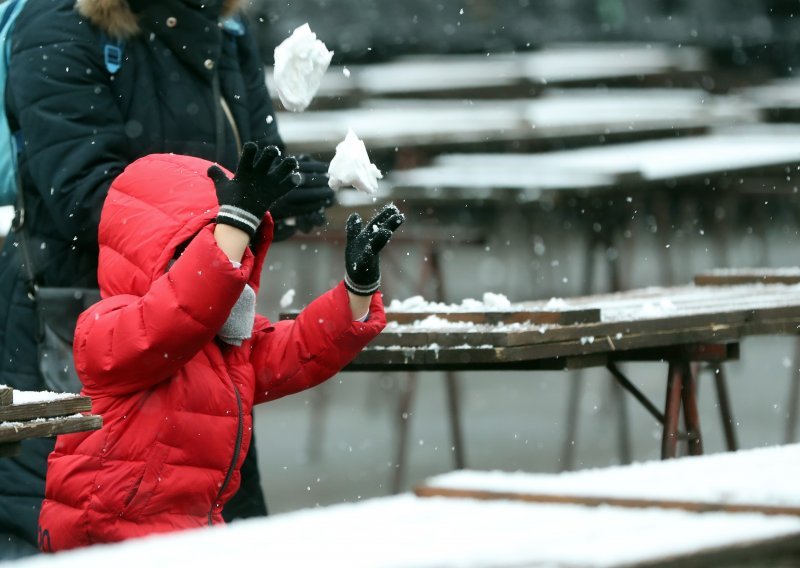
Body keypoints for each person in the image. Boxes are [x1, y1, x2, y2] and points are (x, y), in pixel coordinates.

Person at [0, 0, 334, 557]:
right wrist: (233, 212)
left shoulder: (223, 25)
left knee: (210, 529)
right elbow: (81, 197)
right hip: (87, 324)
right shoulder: (56, 24)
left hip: (207, 320)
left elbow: (248, 157)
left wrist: (282, 193)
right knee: (88, 529)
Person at [37, 142, 404, 551]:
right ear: (153, 254)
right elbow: (173, 317)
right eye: (206, 242)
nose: (234, 253)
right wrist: (235, 220)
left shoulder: (226, 340)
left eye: (238, 241)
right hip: (105, 531)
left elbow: (298, 349)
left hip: (189, 531)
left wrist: (356, 291)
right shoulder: (106, 328)